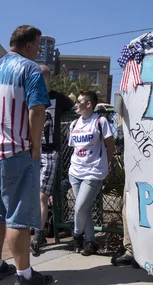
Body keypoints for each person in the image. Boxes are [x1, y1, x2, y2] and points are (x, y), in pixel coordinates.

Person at [0, 25, 53, 285]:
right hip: (17, 150)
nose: (39, 49)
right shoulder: (30, 69)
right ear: (30, 45)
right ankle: (25, 275)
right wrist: (34, 146)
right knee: (18, 218)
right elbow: (37, 110)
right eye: (39, 44)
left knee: (0, 215)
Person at [30, 65, 75, 256]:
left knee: (41, 195)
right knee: (31, 194)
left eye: (40, 78)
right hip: (31, 150)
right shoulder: (30, 97)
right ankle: (35, 229)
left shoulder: (58, 98)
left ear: (47, 79)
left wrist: (96, 106)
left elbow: (77, 108)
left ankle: (38, 234)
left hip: (49, 152)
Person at [68, 90, 115, 256]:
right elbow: (74, 148)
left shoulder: (100, 122)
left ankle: (77, 235)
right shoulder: (74, 124)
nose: (76, 104)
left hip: (94, 172)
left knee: (80, 206)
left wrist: (106, 165)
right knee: (85, 208)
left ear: (89, 104)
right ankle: (90, 241)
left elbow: (111, 146)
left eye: (79, 101)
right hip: (75, 171)